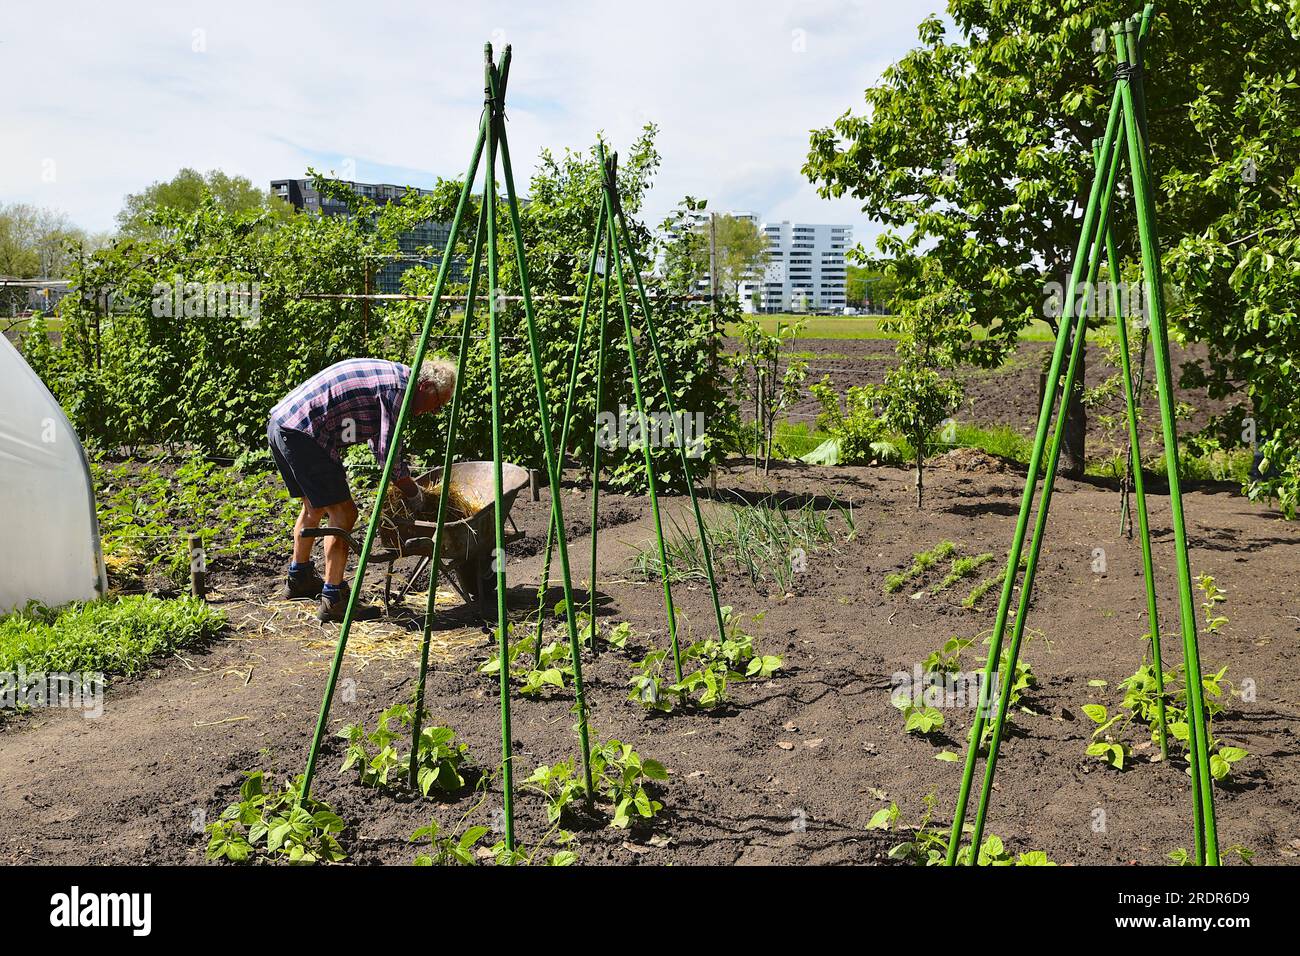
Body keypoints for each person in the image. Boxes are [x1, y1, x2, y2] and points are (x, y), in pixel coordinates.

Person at [267, 357, 455, 621]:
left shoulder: (394, 378)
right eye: (436, 406)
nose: (431, 413)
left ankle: (300, 577)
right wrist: (415, 494)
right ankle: (334, 599)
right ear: (425, 386)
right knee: (345, 514)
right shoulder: (399, 391)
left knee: (314, 506)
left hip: (283, 424)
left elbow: (377, 439)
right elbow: (388, 456)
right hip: (304, 433)